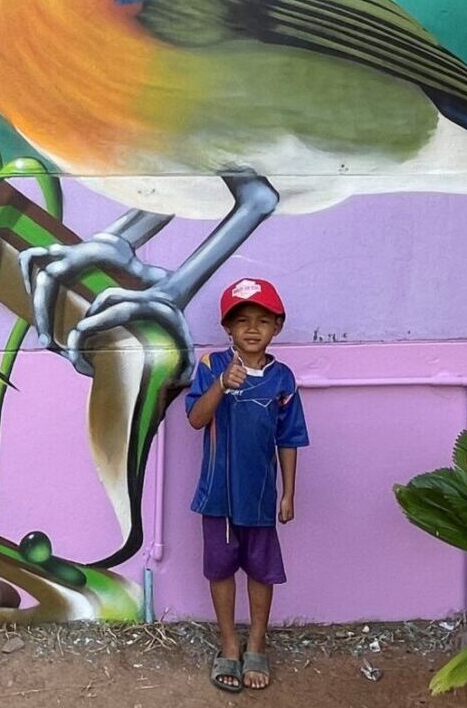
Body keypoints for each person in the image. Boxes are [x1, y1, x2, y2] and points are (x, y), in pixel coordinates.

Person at [185, 277, 309, 693]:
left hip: (259, 498)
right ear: (228, 329)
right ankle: (229, 646)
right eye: (241, 321)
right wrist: (222, 385)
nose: (252, 328)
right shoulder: (211, 366)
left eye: (262, 320)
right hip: (217, 496)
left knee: (261, 571)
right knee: (220, 569)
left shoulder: (283, 379)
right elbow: (196, 419)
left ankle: (256, 644)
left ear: (277, 326)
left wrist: (289, 493)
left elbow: (288, 439)